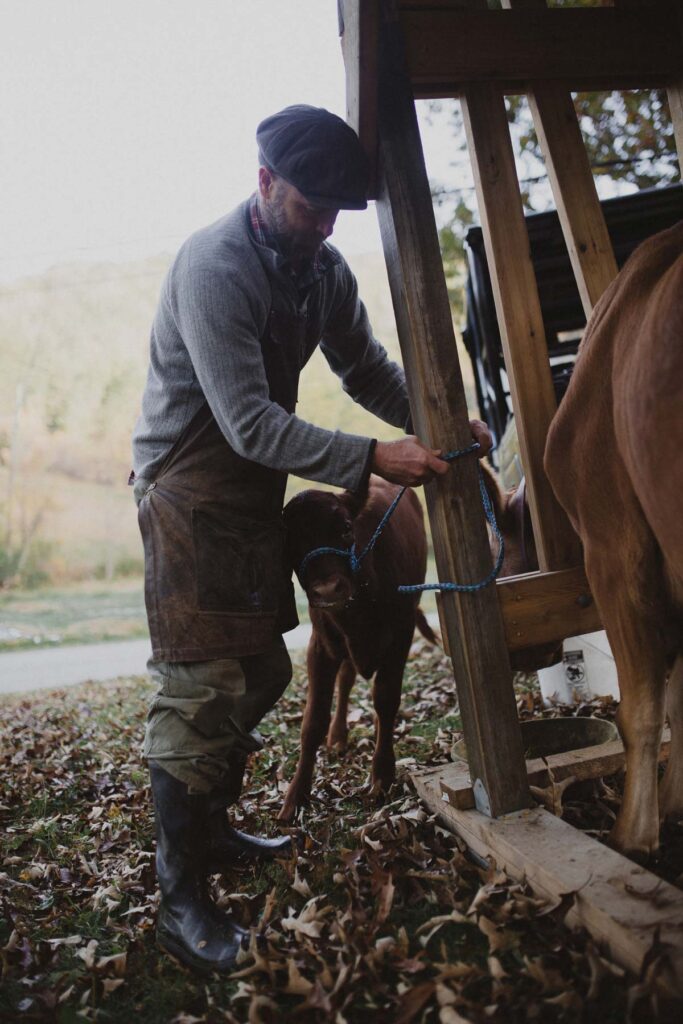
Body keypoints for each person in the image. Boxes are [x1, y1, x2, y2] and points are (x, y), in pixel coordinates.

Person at [130, 104, 491, 973]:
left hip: (251, 498)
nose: (324, 225)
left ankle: (211, 835)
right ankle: (181, 905)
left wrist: (441, 423)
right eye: (309, 206)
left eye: (337, 212)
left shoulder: (320, 271)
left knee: (263, 669)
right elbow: (250, 423)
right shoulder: (215, 269)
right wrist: (371, 455)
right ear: (264, 183)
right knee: (201, 687)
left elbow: (364, 368)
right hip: (188, 493)